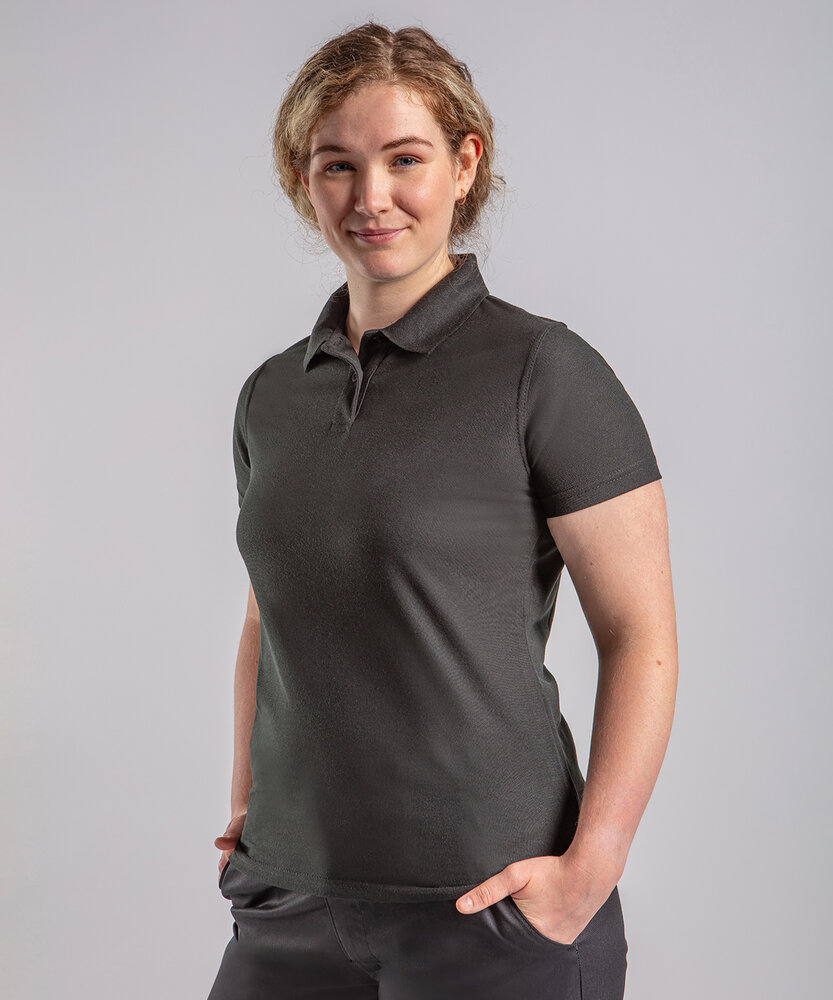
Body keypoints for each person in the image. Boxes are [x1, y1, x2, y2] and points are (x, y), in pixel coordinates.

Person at [207, 20, 677, 1000]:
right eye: (337, 165)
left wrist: (590, 867)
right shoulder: (270, 396)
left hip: (489, 909)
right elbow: (267, 616)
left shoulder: (544, 372)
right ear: (303, 180)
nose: (370, 197)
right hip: (289, 903)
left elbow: (639, 634)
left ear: (464, 164)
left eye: (404, 159)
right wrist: (248, 804)